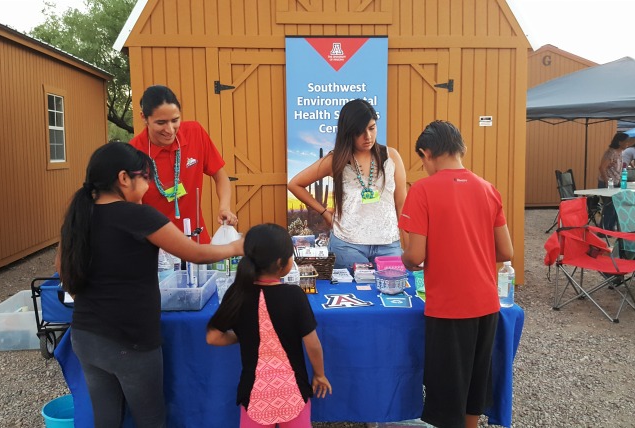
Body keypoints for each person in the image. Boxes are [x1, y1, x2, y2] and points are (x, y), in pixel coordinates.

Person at [57, 142, 243, 427]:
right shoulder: (138, 217)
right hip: (129, 341)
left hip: (84, 335)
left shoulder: (80, 216)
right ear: (123, 178)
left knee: (106, 419)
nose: (149, 185)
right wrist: (236, 247)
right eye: (145, 177)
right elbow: (195, 252)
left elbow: (61, 267)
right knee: (150, 420)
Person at [399, 121, 513, 428]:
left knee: (446, 392)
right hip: (486, 305)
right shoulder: (488, 189)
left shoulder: (422, 190)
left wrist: (405, 257)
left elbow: (415, 256)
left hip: (448, 308)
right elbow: (506, 251)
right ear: (460, 148)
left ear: (426, 153)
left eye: (422, 161)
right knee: (475, 384)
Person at [207, 223, 332, 428]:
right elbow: (313, 344)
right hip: (294, 392)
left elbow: (213, 337)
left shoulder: (237, 293)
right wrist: (319, 374)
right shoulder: (294, 295)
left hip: (253, 393)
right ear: (281, 262)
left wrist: (244, 334)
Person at [287, 99, 408, 270]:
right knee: (352, 295)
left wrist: (409, 248)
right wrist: (324, 212)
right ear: (348, 132)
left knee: (392, 292)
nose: (368, 136)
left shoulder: (391, 157)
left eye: (372, 128)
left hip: (388, 244)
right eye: (360, 132)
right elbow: (295, 184)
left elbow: (402, 205)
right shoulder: (335, 160)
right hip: (347, 245)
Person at [130, 85, 237, 244]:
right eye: (161, 122)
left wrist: (224, 208)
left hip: (196, 240)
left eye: (175, 120)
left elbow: (221, 176)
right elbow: (133, 207)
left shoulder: (195, 132)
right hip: (157, 248)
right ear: (144, 118)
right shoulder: (134, 152)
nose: (170, 130)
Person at [597, 132, 630, 229]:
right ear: (620, 142)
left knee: (616, 206)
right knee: (609, 206)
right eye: (626, 142)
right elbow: (602, 167)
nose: (628, 144)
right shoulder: (611, 152)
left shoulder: (620, 153)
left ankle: (611, 227)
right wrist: (607, 181)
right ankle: (604, 228)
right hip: (608, 183)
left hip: (616, 182)